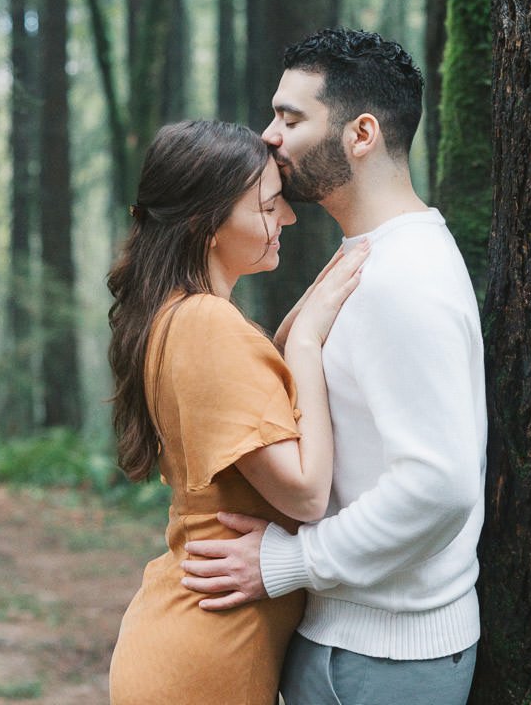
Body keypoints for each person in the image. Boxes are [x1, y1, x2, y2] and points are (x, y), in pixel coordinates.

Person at [180, 29, 486, 704]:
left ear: (362, 133)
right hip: (360, 646)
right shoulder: (373, 255)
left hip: (383, 660)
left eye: (291, 117)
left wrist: (289, 563)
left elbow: (440, 484)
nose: (268, 136)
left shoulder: (402, 277)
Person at [107, 119, 369, 705]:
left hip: (196, 637)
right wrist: (304, 345)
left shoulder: (177, 315)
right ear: (208, 227)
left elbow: (256, 400)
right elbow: (305, 494)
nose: (289, 219)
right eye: (269, 206)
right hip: (205, 655)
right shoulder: (205, 323)